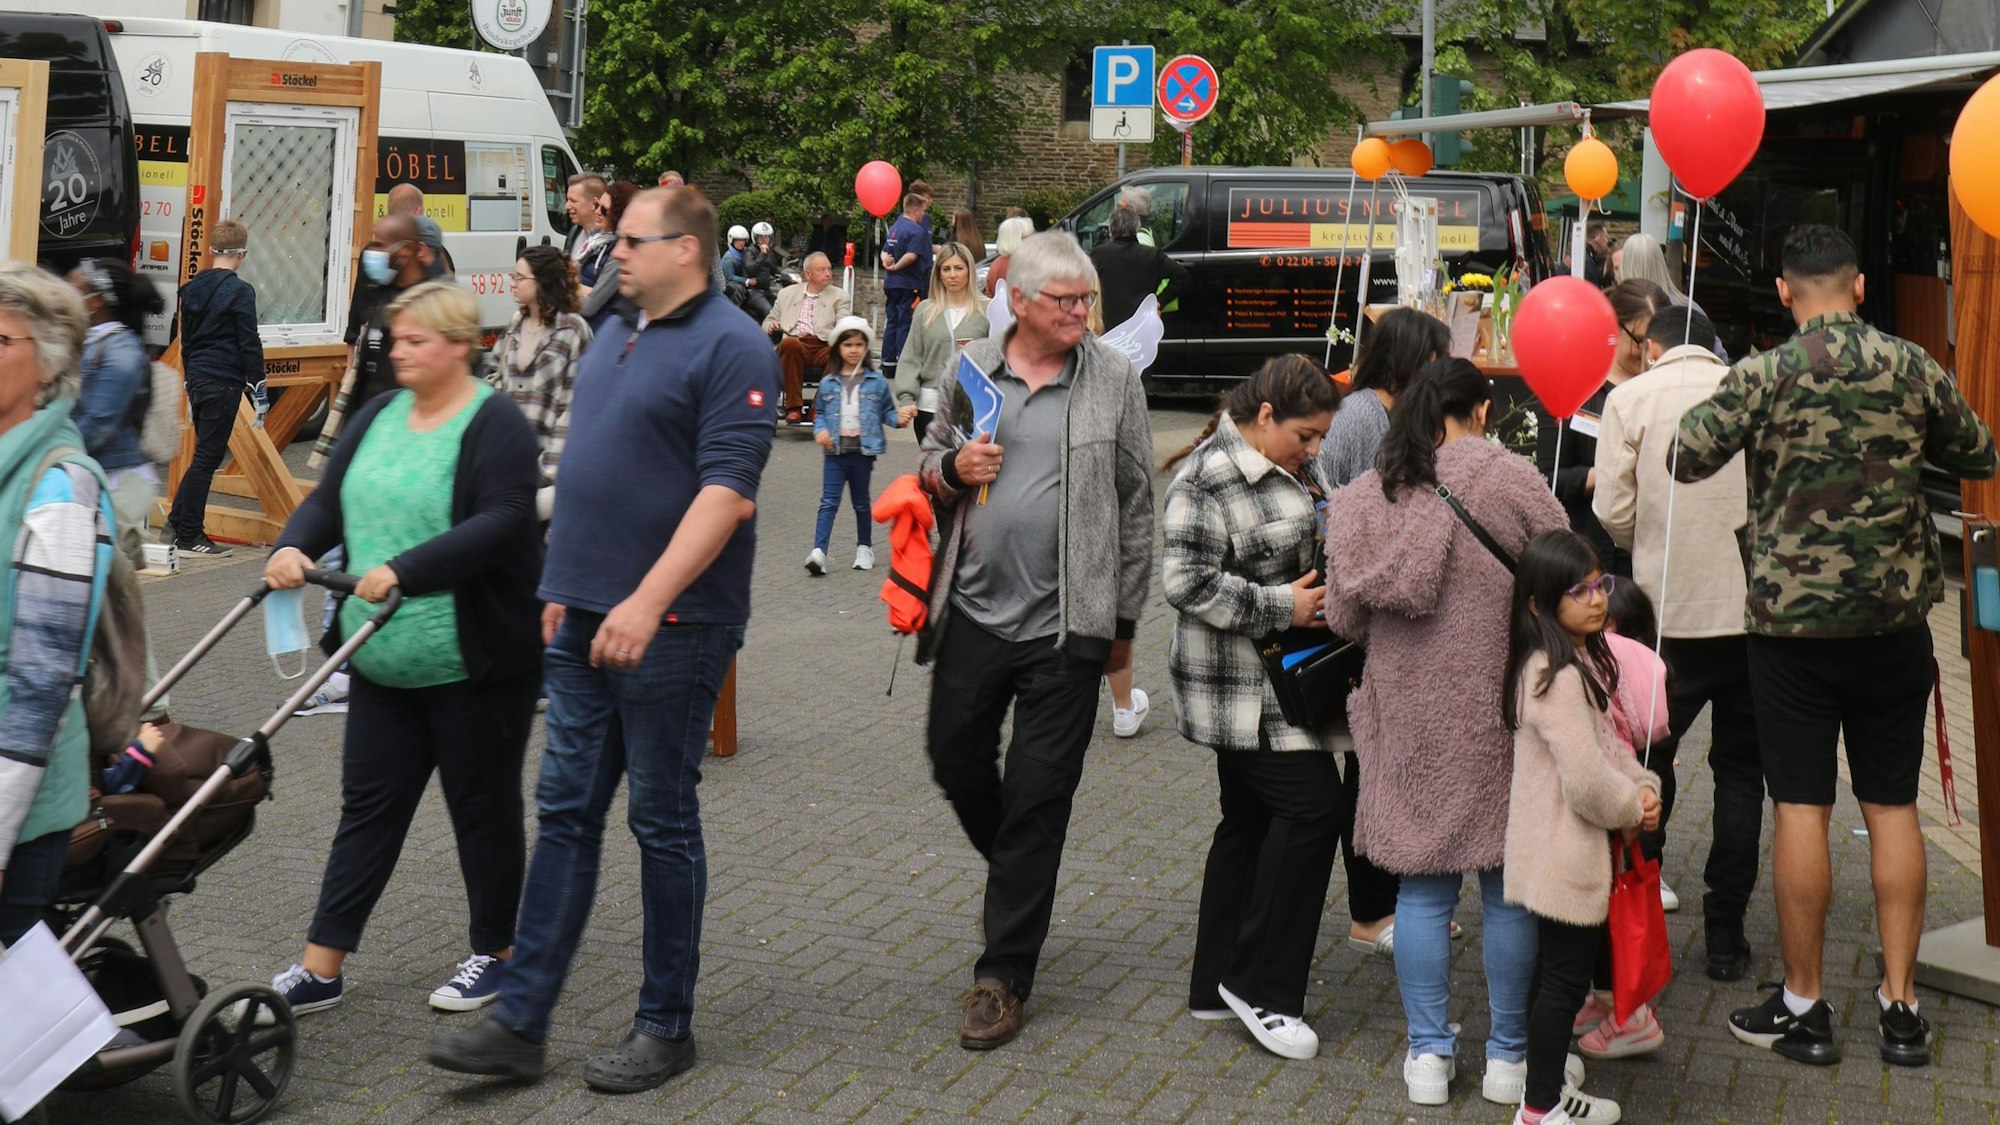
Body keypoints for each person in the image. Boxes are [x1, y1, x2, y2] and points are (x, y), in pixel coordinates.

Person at [428, 186, 779, 1092]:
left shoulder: (734, 345)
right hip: (582, 612)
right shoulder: (620, 326)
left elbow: (726, 494)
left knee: (660, 820)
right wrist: (564, 585)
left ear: (688, 252)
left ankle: (665, 1024)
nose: (610, 249)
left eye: (630, 238)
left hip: (676, 626)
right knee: (567, 813)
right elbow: (594, 461)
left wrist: (647, 599)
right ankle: (520, 1022)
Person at [1677, 223, 1996, 1069]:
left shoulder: (1765, 372)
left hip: (1791, 633)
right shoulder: (1912, 364)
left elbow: (1685, 455)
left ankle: (1806, 1007)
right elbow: (1979, 452)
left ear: (1785, 292)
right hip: (1893, 626)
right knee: (1892, 804)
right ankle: (1900, 1009)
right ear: (1858, 286)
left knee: (1802, 807)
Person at [256, 281, 543, 1018]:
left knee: (480, 808)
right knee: (368, 810)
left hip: (474, 661)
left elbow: (507, 519)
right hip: (381, 654)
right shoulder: (381, 413)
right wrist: (292, 548)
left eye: (417, 339)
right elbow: (327, 499)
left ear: (459, 345)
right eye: (397, 339)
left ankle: (499, 952)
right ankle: (323, 964)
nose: (400, 351)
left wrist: (406, 569)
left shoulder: (495, 421)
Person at [915, 230, 1154, 1050]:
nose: (1083, 313)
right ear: (1017, 300)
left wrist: (1122, 623)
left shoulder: (1114, 378)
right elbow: (926, 457)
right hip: (975, 612)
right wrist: (951, 471)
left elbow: (1137, 503)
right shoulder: (969, 365)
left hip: (1068, 628)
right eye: (1066, 301)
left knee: (1040, 796)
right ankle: (1021, 866)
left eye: (1087, 300)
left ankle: (1002, 974)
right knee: (954, 756)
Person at [1323, 358, 1569, 1107]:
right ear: (1482, 410)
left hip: (1407, 712)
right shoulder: (1511, 478)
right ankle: (1509, 1057)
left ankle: (1428, 1055)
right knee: (1507, 891)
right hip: (1499, 707)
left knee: (1421, 892)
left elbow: (1341, 617)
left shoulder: (1369, 494)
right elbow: (1566, 571)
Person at [1160, 356, 1342, 1061]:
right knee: (1313, 806)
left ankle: (1215, 982)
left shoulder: (1295, 467)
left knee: (1249, 821)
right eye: (1306, 434)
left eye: (1322, 437)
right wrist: (1283, 606)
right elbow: (1185, 581)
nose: (1316, 449)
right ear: (1264, 417)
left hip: (1281, 684)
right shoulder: (1207, 476)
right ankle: (1262, 986)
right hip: (1236, 691)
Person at [1592, 304, 1764, 982]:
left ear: (1652, 343)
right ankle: (1725, 932)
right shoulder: (1753, 389)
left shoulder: (1629, 397)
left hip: (1664, 617)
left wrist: (1648, 547)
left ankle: (1643, 898)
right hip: (1752, 618)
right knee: (1742, 772)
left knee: (1646, 758)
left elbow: (1611, 510)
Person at [1501, 530, 1661, 1125]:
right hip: (1562, 854)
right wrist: (1631, 806)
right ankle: (1539, 1109)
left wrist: (1644, 785)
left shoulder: (1576, 658)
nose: (1597, 599)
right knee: (1563, 987)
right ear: (1541, 604)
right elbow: (1587, 782)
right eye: (1580, 590)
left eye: (1601, 584)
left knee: (1558, 979)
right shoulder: (1556, 675)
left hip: (1565, 851)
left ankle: (1544, 1094)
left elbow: (1610, 747)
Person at [1311, 306, 1449, 957]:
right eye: (1434, 359)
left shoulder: (1392, 411)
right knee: (1368, 763)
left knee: (1389, 763)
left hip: (1388, 617)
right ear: (1410, 359)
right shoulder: (1364, 413)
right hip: (1361, 618)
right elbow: (1341, 505)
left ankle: (1401, 899)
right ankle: (1370, 909)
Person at [0, 263, 108, 947]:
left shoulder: (60, 489)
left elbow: (41, 684)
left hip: (17, 798)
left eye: (1, 340)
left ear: (48, 364)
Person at [1537, 279, 1667, 579]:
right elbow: (1547, 478)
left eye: (1658, 344)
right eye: (1639, 341)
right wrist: (1607, 474)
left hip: (1652, 553)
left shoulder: (1664, 389)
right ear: (1613, 328)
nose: (1648, 355)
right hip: (1591, 557)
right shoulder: (1573, 388)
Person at [168, 218, 263, 557]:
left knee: (202, 456)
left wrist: (190, 378)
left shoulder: (191, 289)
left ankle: (178, 522)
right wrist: (258, 385)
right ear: (242, 255)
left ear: (210, 250)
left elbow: (187, 341)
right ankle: (190, 535)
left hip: (199, 378)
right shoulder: (240, 291)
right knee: (208, 459)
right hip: (224, 379)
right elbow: (248, 341)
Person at [314, 213, 433, 468]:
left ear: (407, 250)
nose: (372, 253)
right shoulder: (381, 294)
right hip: (369, 430)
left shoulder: (428, 304)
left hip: (403, 436)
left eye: (380, 245)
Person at [69, 258, 166, 567]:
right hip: (91, 476)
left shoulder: (121, 350)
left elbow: (97, 421)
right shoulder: (88, 341)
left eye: (71, 289)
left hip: (115, 483)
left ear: (95, 301)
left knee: (97, 583)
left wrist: (45, 455)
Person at [490, 246, 592, 524]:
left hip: (548, 473)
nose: (513, 282)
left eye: (520, 277)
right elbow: (495, 383)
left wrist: (546, 475)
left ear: (543, 282)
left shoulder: (573, 331)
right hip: (507, 462)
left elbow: (572, 408)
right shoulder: (515, 323)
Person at [806, 316, 915, 575]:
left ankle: (864, 547)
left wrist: (899, 419)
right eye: (848, 345)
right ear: (838, 349)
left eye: (859, 345)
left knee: (861, 503)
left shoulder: (875, 382)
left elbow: (886, 412)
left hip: (862, 454)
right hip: (834, 452)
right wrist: (820, 431)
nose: (853, 350)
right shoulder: (828, 382)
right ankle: (819, 552)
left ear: (866, 348)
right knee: (828, 502)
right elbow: (819, 413)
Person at [1319, 307, 1449, 488]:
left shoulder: (1413, 414)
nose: (1441, 374)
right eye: (1436, 362)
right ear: (1411, 361)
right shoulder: (1353, 415)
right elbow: (1323, 491)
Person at [894, 242, 989, 438]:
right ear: (938, 274)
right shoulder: (925, 310)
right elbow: (911, 356)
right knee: (934, 467)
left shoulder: (987, 310)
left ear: (970, 272)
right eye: (946, 269)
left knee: (966, 467)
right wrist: (906, 398)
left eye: (959, 268)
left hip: (973, 406)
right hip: (930, 407)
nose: (952, 274)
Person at [762, 252, 852, 425]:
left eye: (829, 269)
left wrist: (843, 330)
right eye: (821, 270)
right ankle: (793, 407)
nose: (828, 273)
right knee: (789, 343)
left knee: (841, 353)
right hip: (795, 343)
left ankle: (819, 408)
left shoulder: (840, 296)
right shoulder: (786, 294)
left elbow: (844, 322)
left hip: (823, 345)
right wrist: (771, 325)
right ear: (808, 274)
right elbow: (769, 320)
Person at [1089, 206, 1188, 330]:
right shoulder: (1152, 255)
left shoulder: (1100, 254)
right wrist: (1159, 301)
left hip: (1109, 326)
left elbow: (1083, 282)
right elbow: (1181, 275)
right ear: (1137, 228)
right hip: (1142, 325)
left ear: (1111, 229)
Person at [880, 192, 933, 370]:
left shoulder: (895, 227)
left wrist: (885, 262)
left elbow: (885, 251)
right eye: (923, 211)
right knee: (905, 321)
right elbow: (911, 256)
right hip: (909, 283)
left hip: (891, 284)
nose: (924, 215)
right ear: (916, 210)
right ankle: (903, 362)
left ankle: (887, 362)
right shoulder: (916, 230)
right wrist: (896, 267)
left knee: (892, 320)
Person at [580, 182, 641, 332]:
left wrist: (566, 286)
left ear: (619, 214)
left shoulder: (617, 252)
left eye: (605, 210)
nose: (597, 212)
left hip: (596, 331)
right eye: (597, 206)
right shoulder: (595, 241)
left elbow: (590, 306)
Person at [985, 216, 1034, 298]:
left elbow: (989, 294)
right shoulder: (1022, 264)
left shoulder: (996, 263)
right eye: (1026, 237)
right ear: (1017, 239)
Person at [563, 173, 607, 260]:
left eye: (573, 201)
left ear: (594, 203)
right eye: (568, 200)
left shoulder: (610, 241)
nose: (567, 206)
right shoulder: (573, 233)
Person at [1581, 221, 1610, 288]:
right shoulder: (1587, 262)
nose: (1607, 241)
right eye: (1606, 238)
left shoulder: (1580, 254)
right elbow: (1592, 291)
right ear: (1598, 237)